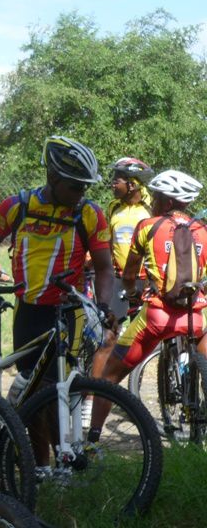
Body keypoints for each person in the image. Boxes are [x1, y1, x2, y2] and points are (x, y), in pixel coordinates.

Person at [0, 136, 114, 393]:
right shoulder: (17, 206)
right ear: (53, 176)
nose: (81, 193)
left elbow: (105, 268)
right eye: (75, 186)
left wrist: (103, 306)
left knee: (54, 387)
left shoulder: (90, 214)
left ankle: (53, 432)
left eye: (85, 187)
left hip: (67, 313)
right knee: (29, 381)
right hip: (26, 311)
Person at [91, 170, 207, 437]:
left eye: (155, 197)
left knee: (110, 376)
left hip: (157, 317)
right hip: (195, 317)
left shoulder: (148, 226)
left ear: (166, 202)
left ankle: (92, 440)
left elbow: (130, 274)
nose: (151, 201)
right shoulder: (203, 230)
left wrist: (131, 294)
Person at [91, 157, 154, 377]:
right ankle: (93, 396)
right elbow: (108, 242)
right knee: (108, 337)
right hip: (119, 279)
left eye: (117, 179)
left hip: (145, 279)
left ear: (133, 183)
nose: (112, 183)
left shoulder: (151, 207)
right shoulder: (113, 207)